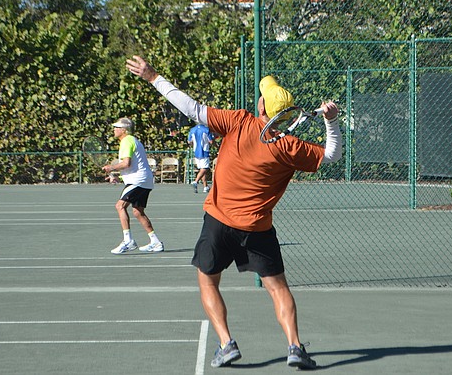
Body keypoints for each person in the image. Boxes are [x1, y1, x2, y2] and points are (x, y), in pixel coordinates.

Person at [125, 55, 341, 370]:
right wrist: (331, 121)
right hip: (258, 228)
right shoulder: (290, 147)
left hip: (219, 223)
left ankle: (226, 344)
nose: (259, 97)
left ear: (264, 109)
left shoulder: (239, 120)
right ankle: (295, 346)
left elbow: (191, 108)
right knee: (277, 288)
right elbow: (332, 154)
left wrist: (153, 76)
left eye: (263, 95)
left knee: (207, 282)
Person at [102, 117, 164, 254]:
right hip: (144, 181)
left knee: (120, 206)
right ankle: (155, 242)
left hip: (139, 181)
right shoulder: (132, 140)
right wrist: (115, 176)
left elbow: (126, 163)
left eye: (117, 127)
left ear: (124, 130)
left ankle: (128, 241)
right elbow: (133, 166)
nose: (114, 130)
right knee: (137, 212)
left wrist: (111, 168)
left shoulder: (126, 141)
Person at [187, 122, 215, 193]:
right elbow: (211, 141)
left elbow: (189, 141)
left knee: (202, 169)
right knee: (204, 168)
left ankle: (205, 187)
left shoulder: (192, 130)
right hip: (204, 151)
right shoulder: (206, 129)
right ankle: (196, 181)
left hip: (196, 152)